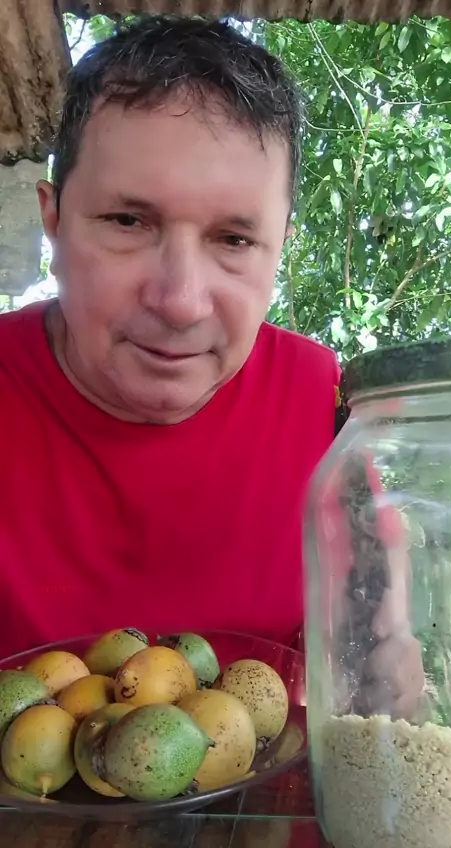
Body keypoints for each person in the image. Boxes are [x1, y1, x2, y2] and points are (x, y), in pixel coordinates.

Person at [0, 16, 423, 716]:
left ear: (280, 247)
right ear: (54, 219)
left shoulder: (324, 405)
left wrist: (392, 663)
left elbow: (382, 663)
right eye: (128, 222)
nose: (180, 302)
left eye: (234, 239)